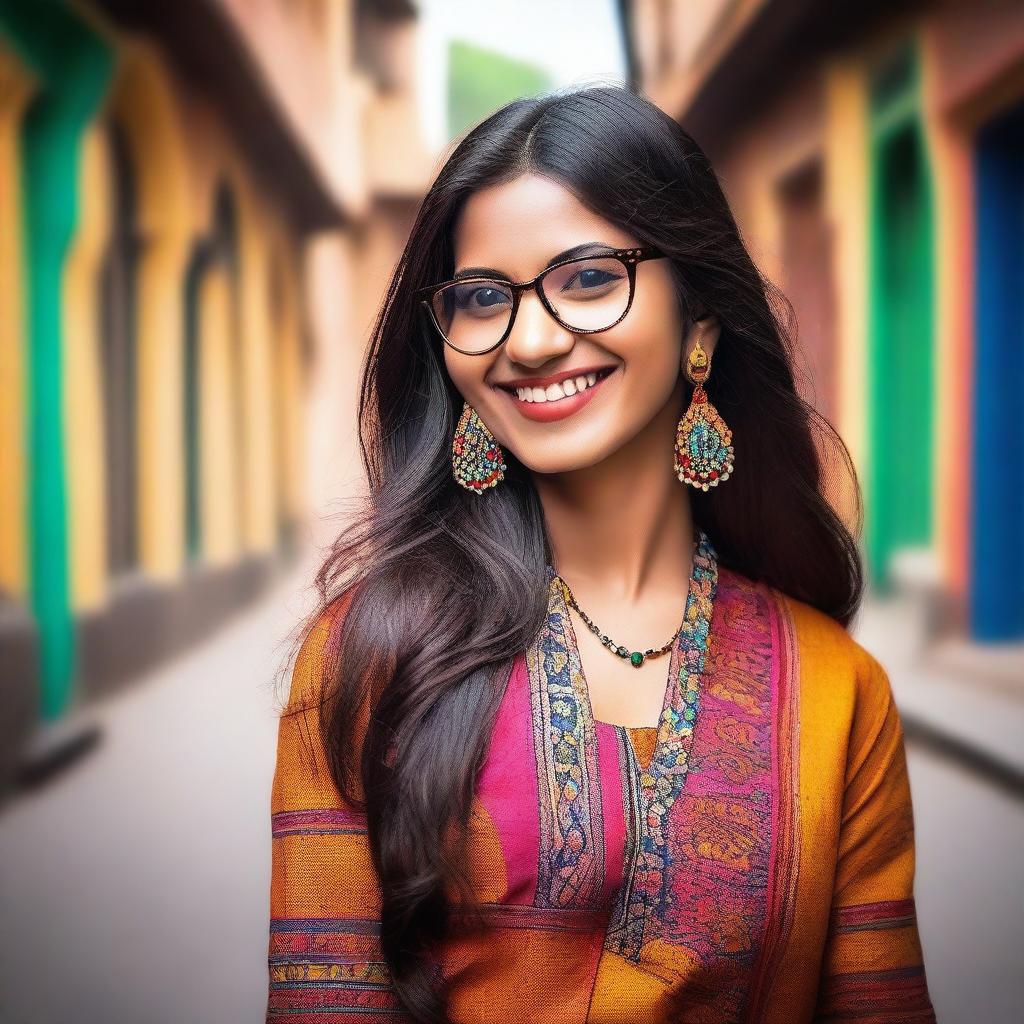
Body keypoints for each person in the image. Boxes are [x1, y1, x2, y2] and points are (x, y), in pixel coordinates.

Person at [265, 84, 936, 1023]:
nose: (531, 341)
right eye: (482, 297)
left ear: (699, 316)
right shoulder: (366, 662)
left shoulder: (836, 692)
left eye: (587, 277)